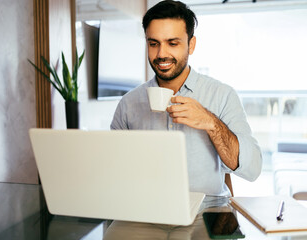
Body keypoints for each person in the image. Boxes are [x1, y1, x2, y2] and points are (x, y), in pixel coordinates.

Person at [111, 0, 262, 196]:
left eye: (172, 43)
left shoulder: (222, 95)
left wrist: (211, 122)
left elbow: (253, 169)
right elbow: (114, 169)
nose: (161, 54)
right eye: (153, 43)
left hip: (205, 216)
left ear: (191, 45)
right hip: (146, 213)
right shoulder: (128, 104)